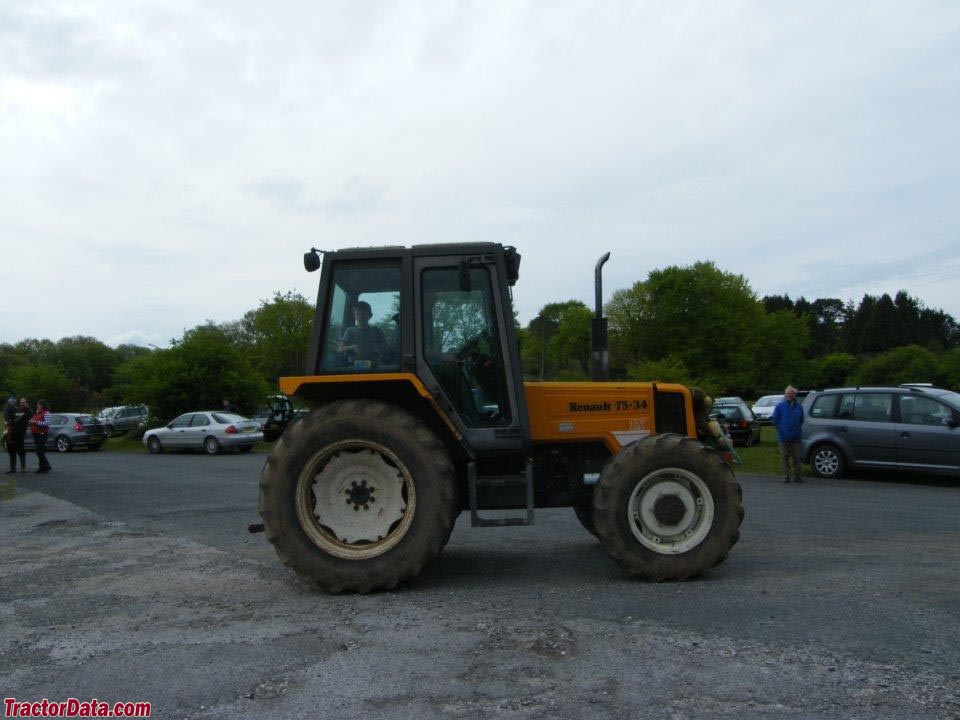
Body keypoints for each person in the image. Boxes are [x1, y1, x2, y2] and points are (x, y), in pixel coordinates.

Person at [771, 385, 804, 483]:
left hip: (796, 437)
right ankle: (786, 475)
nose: (787, 395)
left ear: (794, 394)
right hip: (783, 437)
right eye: (786, 393)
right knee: (784, 456)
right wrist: (781, 430)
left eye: (789, 393)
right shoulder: (780, 407)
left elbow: (801, 420)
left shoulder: (799, 407)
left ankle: (797, 476)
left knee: (797, 457)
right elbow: (774, 420)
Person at [4, 397, 30, 473]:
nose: (22, 404)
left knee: (21, 450)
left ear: (27, 403)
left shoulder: (28, 411)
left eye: (23, 402)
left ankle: (23, 468)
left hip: (20, 433)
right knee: (12, 451)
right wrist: (10, 421)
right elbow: (9, 417)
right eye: (21, 402)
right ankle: (12, 468)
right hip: (12, 433)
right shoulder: (16, 409)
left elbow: (21, 418)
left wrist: (12, 421)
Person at [28, 399, 52, 474]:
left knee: (39, 451)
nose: (37, 406)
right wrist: (31, 422)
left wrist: (35, 422)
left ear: (42, 405)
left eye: (38, 404)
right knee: (39, 451)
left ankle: (45, 467)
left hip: (42, 434)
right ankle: (43, 467)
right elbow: (34, 421)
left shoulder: (46, 413)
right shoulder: (37, 413)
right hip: (36, 433)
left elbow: (47, 424)